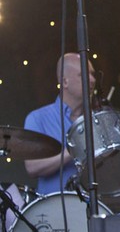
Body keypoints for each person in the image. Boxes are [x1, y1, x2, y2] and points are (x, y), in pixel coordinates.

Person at [24, 52, 96, 194]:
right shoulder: (38, 118)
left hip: (97, 206)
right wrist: (74, 150)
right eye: (83, 75)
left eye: (93, 74)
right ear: (64, 82)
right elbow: (32, 168)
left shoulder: (97, 120)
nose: (92, 80)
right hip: (54, 211)